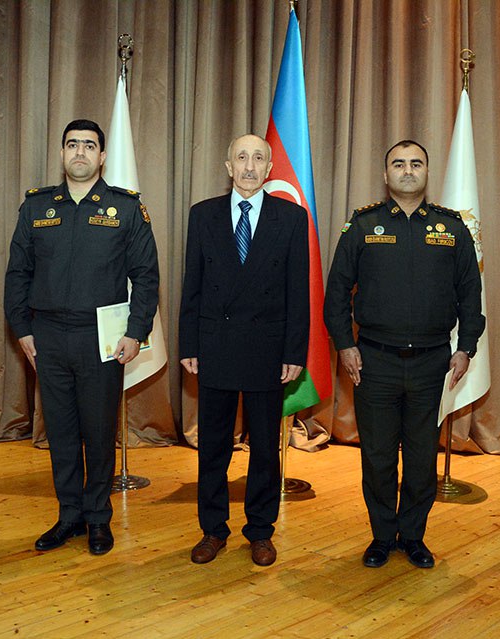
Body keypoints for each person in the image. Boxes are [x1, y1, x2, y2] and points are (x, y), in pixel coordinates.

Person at [323, 140, 484, 569]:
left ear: (427, 173)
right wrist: (344, 345)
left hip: (433, 362)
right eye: (399, 163)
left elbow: (471, 294)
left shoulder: (451, 228)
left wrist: (466, 347)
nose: (408, 170)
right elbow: (336, 291)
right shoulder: (363, 225)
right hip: (374, 362)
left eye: (416, 164)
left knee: (419, 458)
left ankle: (413, 535)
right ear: (385, 174)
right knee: (376, 457)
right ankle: (381, 536)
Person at [4, 119, 159, 556]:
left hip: (103, 339)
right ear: (61, 153)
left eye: (89, 146)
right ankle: (68, 515)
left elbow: (146, 277)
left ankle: (97, 518)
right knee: (62, 431)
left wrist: (136, 332)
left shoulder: (125, 208)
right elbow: (18, 273)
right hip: (48, 336)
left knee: (97, 429)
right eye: (72, 145)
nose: (80, 152)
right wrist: (23, 330)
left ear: (102, 156)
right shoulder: (37, 207)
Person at [179, 134, 309, 566]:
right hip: (215, 346)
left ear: (269, 168)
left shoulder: (290, 218)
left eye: (258, 158)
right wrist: (188, 344)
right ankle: (212, 530)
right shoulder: (203, 215)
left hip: (267, 350)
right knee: (213, 446)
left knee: (266, 451)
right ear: (228, 165)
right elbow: (192, 287)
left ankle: (260, 531)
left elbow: (298, 291)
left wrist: (295, 351)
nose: (250, 166)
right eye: (241, 157)